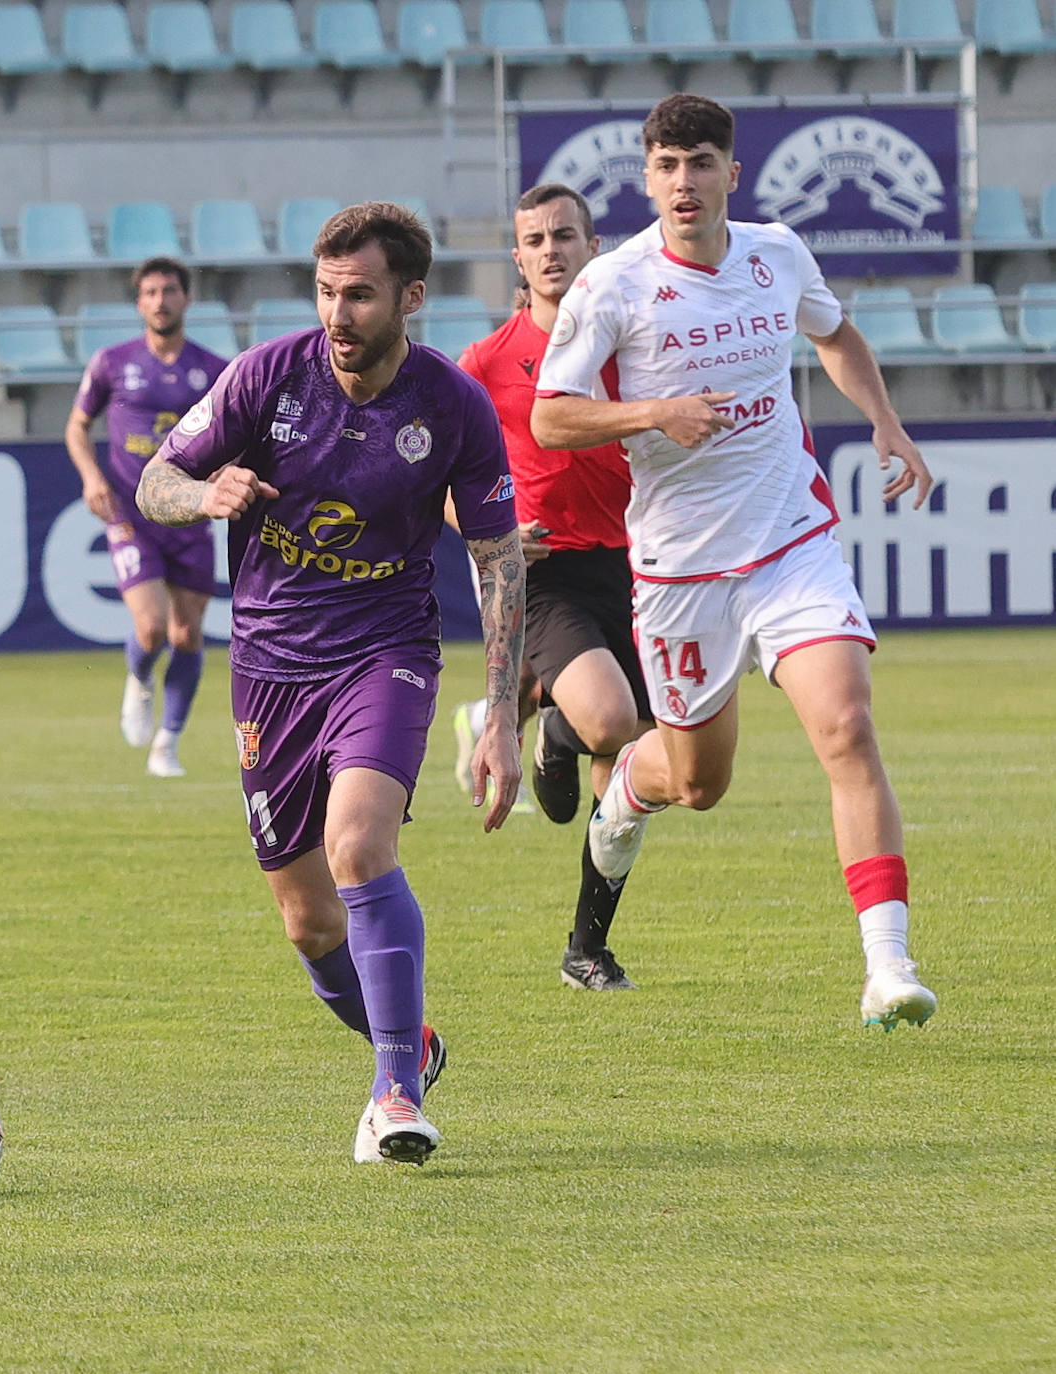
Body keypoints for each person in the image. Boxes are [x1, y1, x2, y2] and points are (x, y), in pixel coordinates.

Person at [532, 93, 937, 1031]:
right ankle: (630, 780)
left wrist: (884, 420)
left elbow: (832, 332)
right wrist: (649, 413)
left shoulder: (776, 252)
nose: (684, 182)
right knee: (697, 783)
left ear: (731, 175)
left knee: (845, 726)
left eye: (701, 162)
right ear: (647, 179)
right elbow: (552, 417)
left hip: (789, 541)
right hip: (679, 573)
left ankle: (886, 966)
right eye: (667, 166)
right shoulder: (611, 286)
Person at [137, 203, 526, 1163]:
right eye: (325, 293)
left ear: (410, 297)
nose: (338, 314)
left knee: (358, 846)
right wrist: (203, 494)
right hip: (268, 668)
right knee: (309, 921)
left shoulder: (450, 407)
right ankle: (414, 1043)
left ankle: (394, 1092)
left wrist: (504, 715)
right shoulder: (265, 378)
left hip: (384, 653)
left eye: (358, 295)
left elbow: (498, 558)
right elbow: (156, 481)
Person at [450, 183, 653, 992]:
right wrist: (482, 532)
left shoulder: (634, 342)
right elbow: (442, 477)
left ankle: (586, 948)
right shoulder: (485, 363)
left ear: (592, 247)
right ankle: (564, 726)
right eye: (534, 239)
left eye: (564, 235)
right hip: (548, 570)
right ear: (518, 257)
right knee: (610, 721)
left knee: (632, 771)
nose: (550, 251)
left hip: (646, 566)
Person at [65, 256, 229, 778]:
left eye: (170, 290)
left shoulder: (215, 368)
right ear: (139, 303)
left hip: (189, 512)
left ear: (186, 299)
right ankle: (139, 681)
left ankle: (168, 744)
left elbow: (233, 437)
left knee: (187, 634)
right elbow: (76, 427)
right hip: (131, 511)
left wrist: (223, 480)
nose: (160, 300)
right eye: (151, 292)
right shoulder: (112, 362)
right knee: (152, 626)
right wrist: (92, 477)